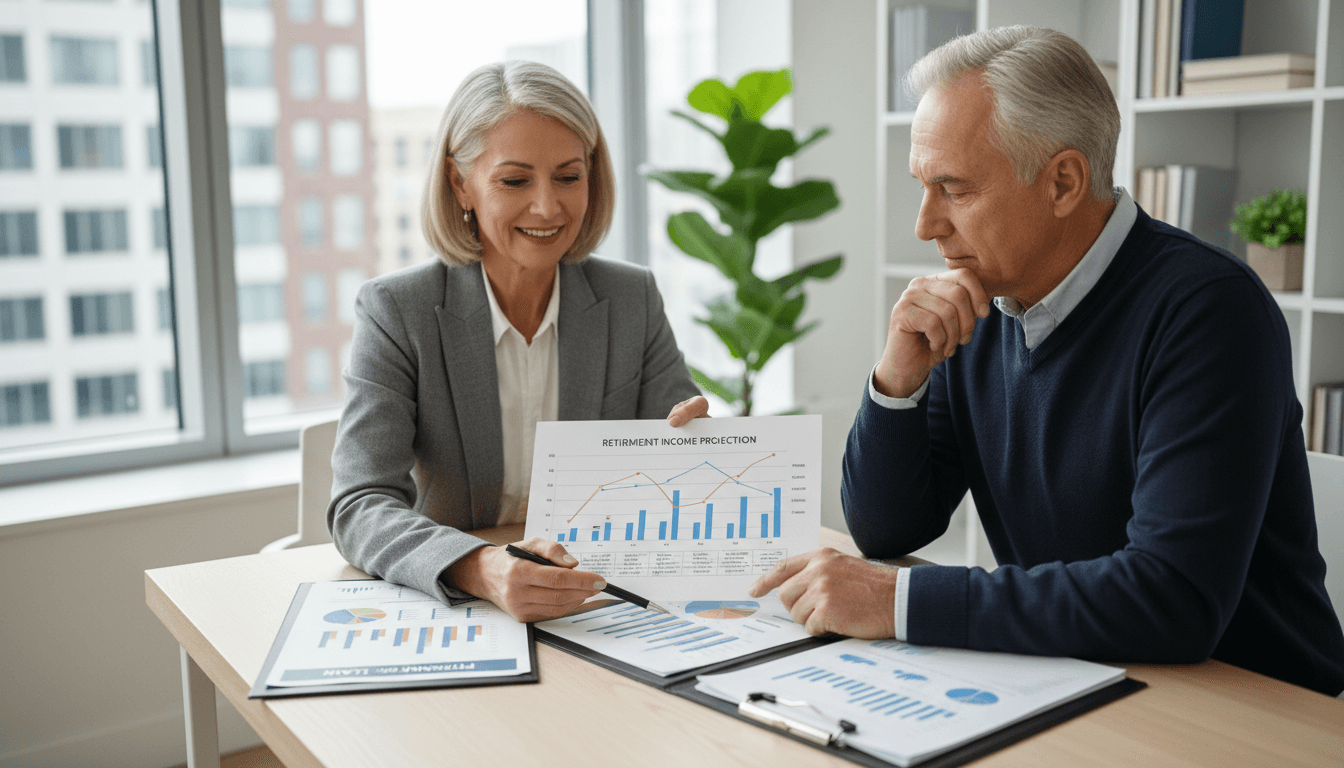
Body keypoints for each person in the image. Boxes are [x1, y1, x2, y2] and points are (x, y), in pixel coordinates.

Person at [749, 26, 1344, 695]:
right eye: (923, 185)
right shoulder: (981, 303)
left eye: (954, 188)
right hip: (1084, 677)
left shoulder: (1208, 311)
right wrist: (896, 382)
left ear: (1063, 181)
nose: (925, 225)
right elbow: (890, 526)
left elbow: (1171, 598)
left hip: (1254, 708)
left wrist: (899, 601)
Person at [329, 61, 708, 623]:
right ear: (461, 183)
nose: (548, 207)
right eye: (514, 180)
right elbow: (360, 505)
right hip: (464, 606)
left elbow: (683, 469)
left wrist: (696, 447)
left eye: (568, 176)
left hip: (595, 601)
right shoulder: (398, 311)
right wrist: (481, 567)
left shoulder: (632, 298)